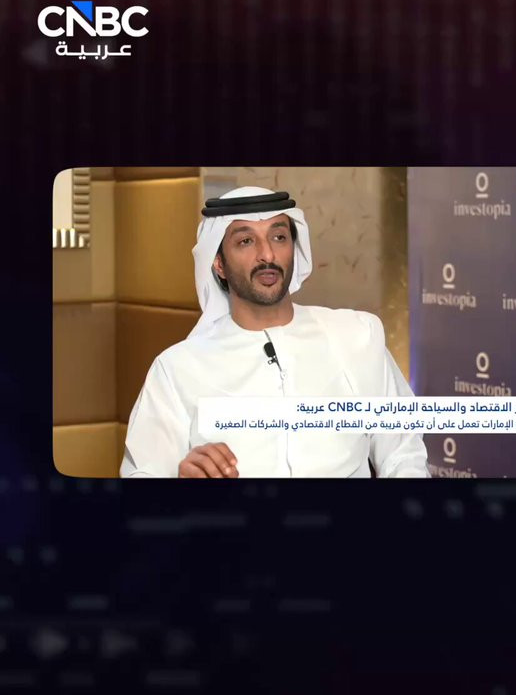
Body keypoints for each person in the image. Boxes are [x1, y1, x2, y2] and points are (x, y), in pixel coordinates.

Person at [119, 185, 429, 478]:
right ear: (219, 264)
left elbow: (404, 453)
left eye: (279, 237)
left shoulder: (357, 336)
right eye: (246, 241)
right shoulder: (177, 369)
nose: (267, 255)